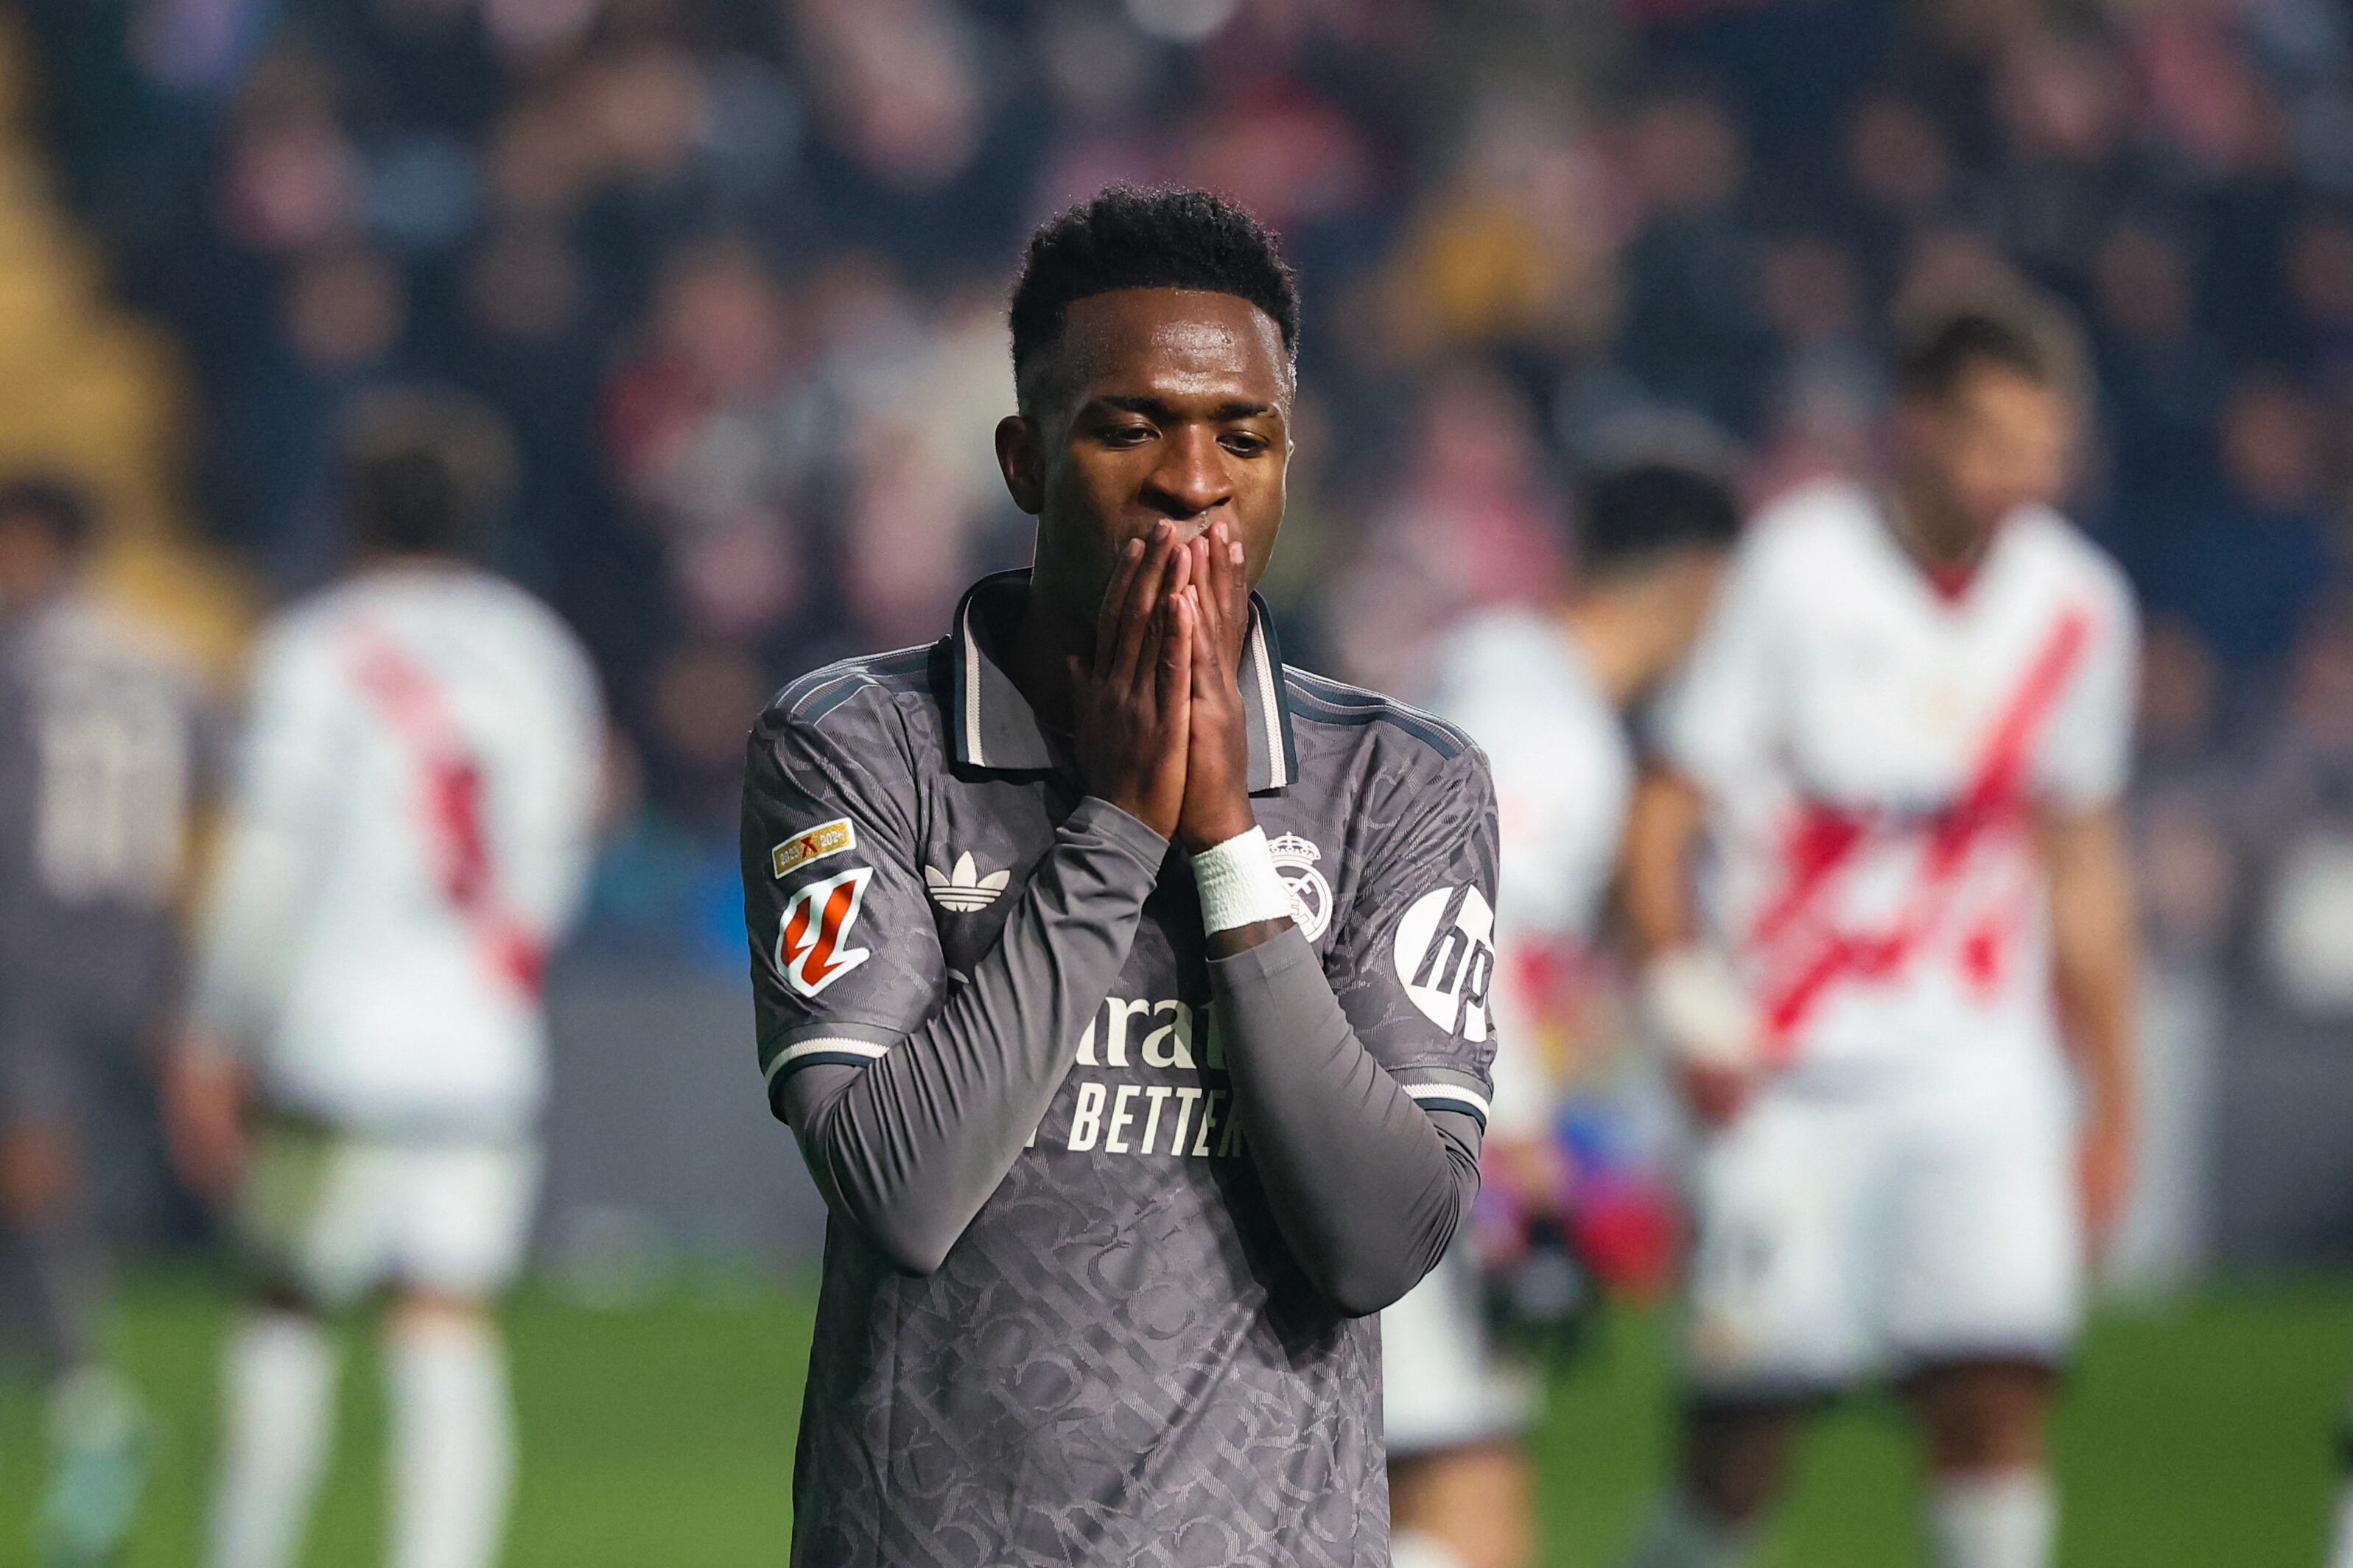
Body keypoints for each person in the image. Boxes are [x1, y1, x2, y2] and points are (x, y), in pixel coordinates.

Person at [739, 185, 1501, 1567]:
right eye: (1131, 424)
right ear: (1025, 459)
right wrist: (1119, 834)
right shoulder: (861, 748)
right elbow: (902, 1190)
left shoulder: (1397, 781)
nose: (1192, 481)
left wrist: (1224, 848)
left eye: (1242, 436)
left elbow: (1380, 1244)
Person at [1616, 303, 2140, 1568]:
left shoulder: (2076, 605)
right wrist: (1682, 987)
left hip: (1981, 1071)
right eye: (1992, 440)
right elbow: (1666, 807)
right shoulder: (1795, 570)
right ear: (1914, 428)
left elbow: (2079, 861)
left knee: (1996, 1391)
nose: (2020, 475)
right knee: (1745, 1434)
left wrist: (2114, 1098)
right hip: (1789, 1075)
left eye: (2043, 445)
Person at [168, 394, 605, 1568]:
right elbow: (560, 843)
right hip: (479, 1041)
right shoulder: (535, 653)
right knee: (446, 1319)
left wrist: (216, 1026)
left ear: (349, 510)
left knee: (285, 1303)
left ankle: (247, 1550)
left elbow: (267, 858)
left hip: (332, 1035)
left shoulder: (316, 650)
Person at [1384, 434, 1744, 1568]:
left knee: (1431, 1490)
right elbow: (1461, 924)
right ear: (1699, 587)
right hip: (1420, 1126)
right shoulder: (1556, 728)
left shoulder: (1484, 660)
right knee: (1470, 1503)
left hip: (1370, 1104)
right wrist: (1523, 1146)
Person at [0, 477, 206, 1566]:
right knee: (46, 1174)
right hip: (135, 949)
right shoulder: (159, 658)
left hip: (27, 947)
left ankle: (92, 1406)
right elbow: (216, 783)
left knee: (38, 1173)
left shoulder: (19, 659)